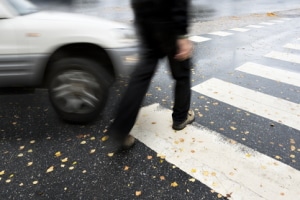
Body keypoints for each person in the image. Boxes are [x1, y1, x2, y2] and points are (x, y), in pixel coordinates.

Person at [107, 0, 194, 150]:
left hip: (145, 20)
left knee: (141, 77)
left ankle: (120, 129)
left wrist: (140, 18)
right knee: (182, 74)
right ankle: (180, 118)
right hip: (168, 21)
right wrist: (182, 34)